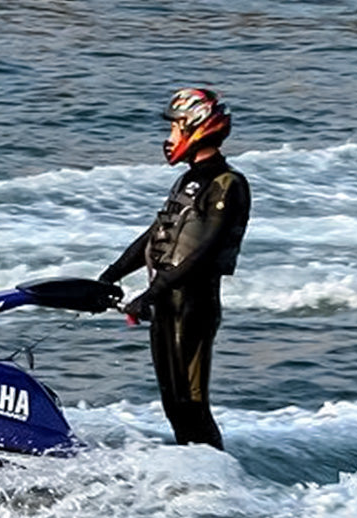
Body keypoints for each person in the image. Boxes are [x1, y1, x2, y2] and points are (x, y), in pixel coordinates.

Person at [99, 88, 251, 450]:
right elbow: (155, 236)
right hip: (167, 303)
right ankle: (191, 473)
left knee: (192, 404)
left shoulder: (228, 185)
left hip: (193, 306)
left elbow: (203, 253)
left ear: (196, 128)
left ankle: (217, 482)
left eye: (174, 130)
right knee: (172, 403)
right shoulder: (187, 181)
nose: (169, 140)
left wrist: (149, 294)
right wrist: (110, 276)